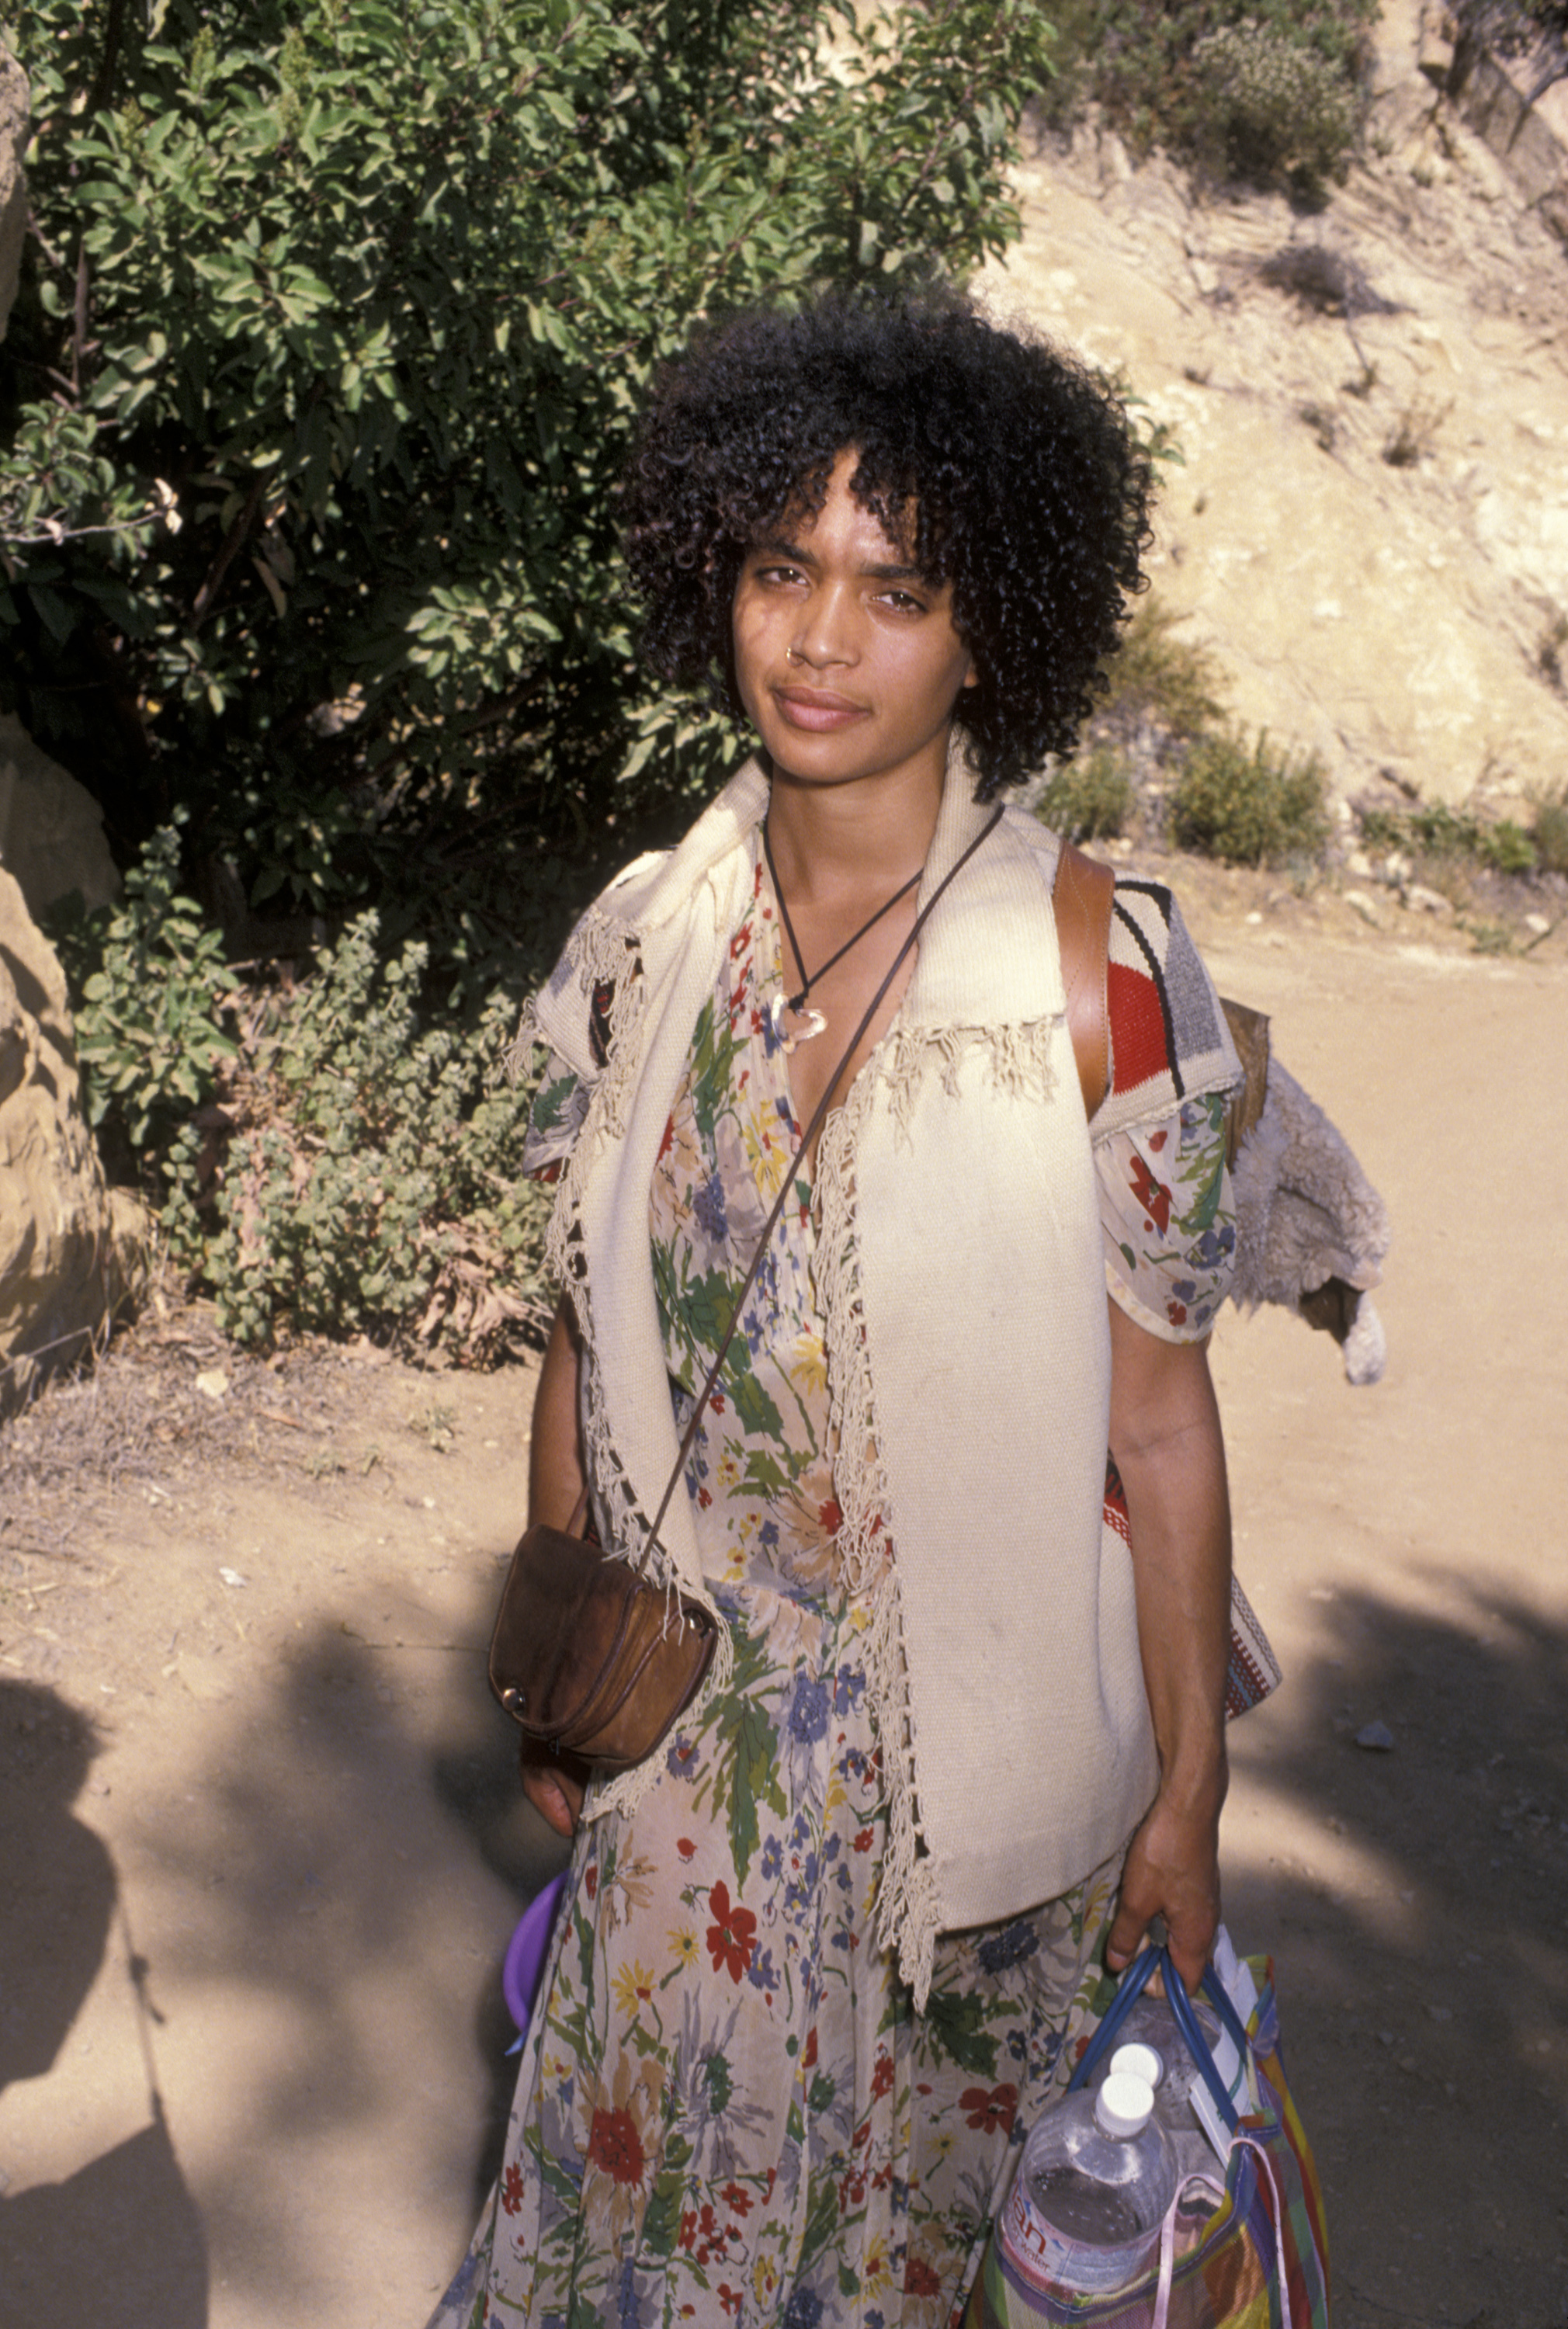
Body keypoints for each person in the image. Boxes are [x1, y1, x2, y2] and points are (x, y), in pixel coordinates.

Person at [428, 287, 1242, 2329]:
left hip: (970, 1846)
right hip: (684, 1782)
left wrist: (1187, 1802)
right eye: (781, 569)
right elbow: (583, 1333)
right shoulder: (646, 947)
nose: (817, 639)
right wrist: (561, 1660)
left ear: (986, 633)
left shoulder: (1098, 978)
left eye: (896, 590)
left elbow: (1157, 1425)